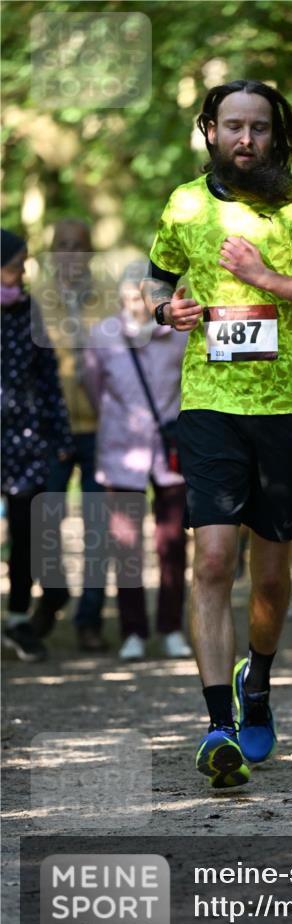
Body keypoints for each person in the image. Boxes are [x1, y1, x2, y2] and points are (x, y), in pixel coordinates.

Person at [141, 79, 292, 789]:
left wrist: (267, 278)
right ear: (209, 130)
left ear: (275, 135)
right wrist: (164, 312)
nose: (245, 139)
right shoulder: (183, 204)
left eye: (258, 128)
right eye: (232, 126)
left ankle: (255, 682)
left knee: (269, 576)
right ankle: (218, 727)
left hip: (284, 411)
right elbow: (154, 284)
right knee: (212, 562)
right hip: (208, 404)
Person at [83, 260, 192, 662]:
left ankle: (171, 628)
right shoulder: (103, 336)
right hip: (121, 452)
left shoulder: (178, 335)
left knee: (173, 543)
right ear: (120, 298)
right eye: (129, 296)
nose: (135, 304)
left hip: (171, 452)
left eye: (141, 297)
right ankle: (133, 631)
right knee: (126, 547)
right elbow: (93, 386)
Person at [29, 219, 109, 652]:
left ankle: (89, 619)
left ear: (90, 252)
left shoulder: (109, 299)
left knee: (97, 526)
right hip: (52, 430)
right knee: (45, 521)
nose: (70, 253)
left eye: (78, 246)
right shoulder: (35, 300)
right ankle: (52, 594)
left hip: (101, 428)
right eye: (62, 245)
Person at [1, 229, 73, 661]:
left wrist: (61, 436)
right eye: (15, 265)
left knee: (27, 534)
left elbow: (48, 380)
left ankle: (17, 619)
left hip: (25, 443)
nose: (22, 274)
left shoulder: (29, 312)